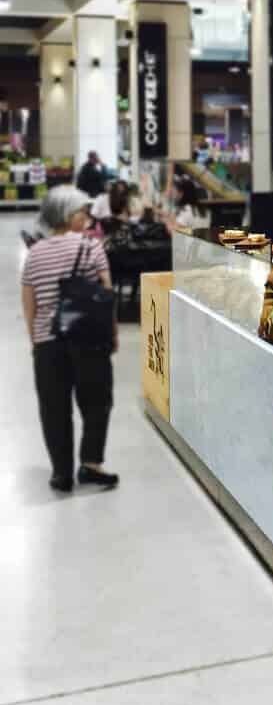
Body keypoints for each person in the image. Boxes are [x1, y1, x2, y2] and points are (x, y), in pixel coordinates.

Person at [21, 186, 119, 492]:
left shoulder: (34, 253)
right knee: (97, 402)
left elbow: (29, 302)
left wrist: (36, 340)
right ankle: (90, 464)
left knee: (54, 408)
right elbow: (106, 293)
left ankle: (61, 472)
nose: (88, 218)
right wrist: (112, 333)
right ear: (67, 215)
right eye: (82, 212)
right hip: (88, 339)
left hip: (48, 343)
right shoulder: (91, 247)